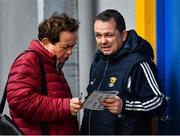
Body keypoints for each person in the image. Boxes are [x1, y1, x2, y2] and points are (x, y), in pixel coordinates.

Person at [80, 9, 167, 135]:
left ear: (123, 35)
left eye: (109, 35)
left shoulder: (138, 63)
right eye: (98, 35)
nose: (103, 41)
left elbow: (159, 101)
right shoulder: (98, 61)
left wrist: (125, 106)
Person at [6, 12, 82, 135]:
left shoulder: (52, 63)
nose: (70, 52)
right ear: (46, 42)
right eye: (65, 47)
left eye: (72, 47)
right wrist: (65, 106)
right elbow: (20, 100)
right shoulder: (29, 60)